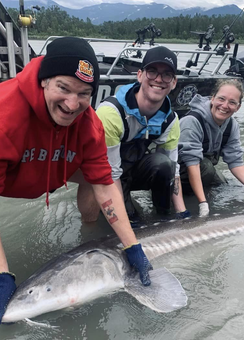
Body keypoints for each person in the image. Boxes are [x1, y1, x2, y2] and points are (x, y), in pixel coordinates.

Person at [0, 37, 152, 323]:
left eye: (83, 93)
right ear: (44, 81)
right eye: (64, 88)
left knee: (94, 176)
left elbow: (105, 185)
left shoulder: (89, 124)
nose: (72, 104)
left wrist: (132, 246)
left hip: (51, 167)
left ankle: (88, 228)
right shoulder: (4, 115)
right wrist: (2, 274)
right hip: (12, 172)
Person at [77, 46, 190, 226]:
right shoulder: (111, 113)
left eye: (167, 75)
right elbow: (110, 173)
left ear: (174, 82)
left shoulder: (171, 119)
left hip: (134, 170)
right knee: (130, 224)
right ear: (140, 75)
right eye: (152, 72)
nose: (159, 79)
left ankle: (163, 218)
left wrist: (182, 214)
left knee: (164, 164)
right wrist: (125, 223)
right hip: (109, 175)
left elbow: (173, 170)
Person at [175, 79, 244, 217]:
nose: (225, 105)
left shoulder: (232, 125)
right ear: (212, 99)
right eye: (221, 99)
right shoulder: (192, 121)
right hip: (176, 173)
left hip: (200, 168)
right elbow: (192, 164)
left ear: (238, 107)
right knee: (207, 169)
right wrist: (203, 203)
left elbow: (236, 162)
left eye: (232, 102)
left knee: (224, 186)